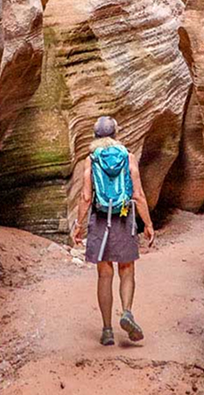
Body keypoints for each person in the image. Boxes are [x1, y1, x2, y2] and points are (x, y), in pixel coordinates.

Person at [70, 115, 156, 345]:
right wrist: (148, 224)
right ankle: (127, 312)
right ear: (116, 134)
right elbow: (138, 194)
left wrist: (78, 226)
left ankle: (107, 330)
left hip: (100, 219)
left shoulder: (92, 160)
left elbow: (86, 196)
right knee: (126, 270)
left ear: (95, 135)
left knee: (104, 274)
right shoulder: (128, 157)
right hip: (124, 218)